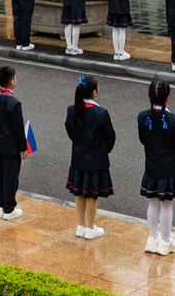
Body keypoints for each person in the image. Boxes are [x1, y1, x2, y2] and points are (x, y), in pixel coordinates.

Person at [137, 78, 175, 255]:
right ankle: (165, 242)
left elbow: (143, 140)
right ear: (168, 97)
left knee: (152, 202)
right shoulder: (173, 120)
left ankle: (152, 239)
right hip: (169, 168)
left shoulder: (143, 116)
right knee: (166, 205)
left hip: (151, 166)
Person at [64, 74, 115, 239]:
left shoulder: (72, 110)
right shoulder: (101, 113)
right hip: (96, 159)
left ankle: (81, 225)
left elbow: (70, 131)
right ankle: (91, 227)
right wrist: (103, 150)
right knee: (92, 194)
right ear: (94, 92)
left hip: (78, 157)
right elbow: (110, 137)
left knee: (78, 192)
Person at [0, 64, 30, 220]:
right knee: (10, 177)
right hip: (11, 148)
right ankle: (9, 208)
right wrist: (23, 148)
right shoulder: (14, 103)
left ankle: (0, 206)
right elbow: (18, 129)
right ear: (12, 82)